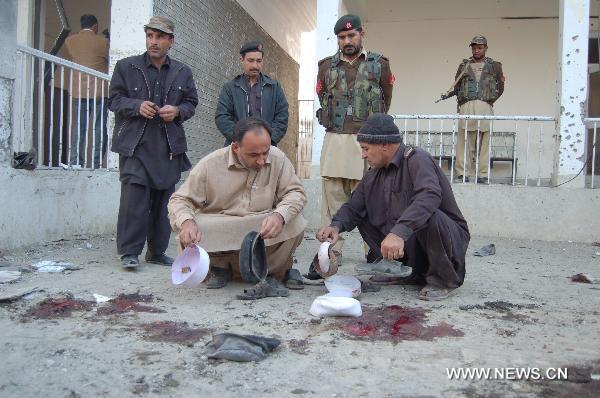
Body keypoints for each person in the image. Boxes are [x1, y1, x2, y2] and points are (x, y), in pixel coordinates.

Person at [316, 114, 470, 301]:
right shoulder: (373, 175)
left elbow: (429, 195)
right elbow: (354, 207)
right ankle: (403, 271)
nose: (363, 155)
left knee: (430, 215)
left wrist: (399, 232)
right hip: (412, 247)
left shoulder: (417, 159)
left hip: (447, 241)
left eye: (366, 149)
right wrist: (336, 226)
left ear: (385, 146)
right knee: (364, 214)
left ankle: (441, 280)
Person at [168, 117, 307, 299]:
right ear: (235, 147)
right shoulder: (211, 164)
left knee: (294, 221)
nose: (261, 161)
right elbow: (179, 199)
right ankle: (220, 267)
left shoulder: (278, 158)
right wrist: (187, 222)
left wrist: (279, 216)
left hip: (260, 224)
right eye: (253, 155)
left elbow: (296, 193)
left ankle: (269, 271)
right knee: (194, 225)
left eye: (265, 152)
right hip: (222, 222)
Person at [108, 16, 199, 268]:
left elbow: (191, 103)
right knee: (134, 201)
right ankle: (129, 253)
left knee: (164, 203)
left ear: (171, 41)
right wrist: (136, 106)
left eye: (160, 37)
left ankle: (157, 252)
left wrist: (178, 111)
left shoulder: (183, 71)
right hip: (135, 144)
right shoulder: (126, 67)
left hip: (168, 146)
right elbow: (113, 100)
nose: (154, 42)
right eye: (150, 36)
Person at [312, 14, 394, 273]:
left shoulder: (379, 64)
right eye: (342, 37)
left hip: (365, 140)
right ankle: (331, 251)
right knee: (333, 196)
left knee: (370, 197)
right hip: (336, 138)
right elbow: (322, 96)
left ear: (361, 34)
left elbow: (386, 99)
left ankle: (373, 249)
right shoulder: (326, 67)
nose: (347, 41)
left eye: (351, 35)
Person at [442, 35, 505, 184]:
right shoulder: (464, 65)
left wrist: (489, 101)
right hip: (467, 105)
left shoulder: (495, 65)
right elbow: (457, 86)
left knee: (484, 141)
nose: (476, 50)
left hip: (485, 105)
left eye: (480, 47)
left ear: (485, 48)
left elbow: (500, 87)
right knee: (465, 140)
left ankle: (483, 174)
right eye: (474, 47)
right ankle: (462, 173)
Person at [215, 41, 289, 147]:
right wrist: (240, 139)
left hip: (266, 149)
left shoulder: (274, 87)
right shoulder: (230, 88)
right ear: (242, 60)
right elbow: (222, 117)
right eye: (250, 60)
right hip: (238, 148)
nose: (255, 65)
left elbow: (282, 116)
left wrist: (269, 140)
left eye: (259, 61)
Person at [64, 14, 109, 168]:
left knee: (78, 128)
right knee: (99, 129)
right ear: (95, 27)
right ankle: (96, 163)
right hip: (99, 92)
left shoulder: (70, 41)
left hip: (78, 91)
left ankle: (76, 161)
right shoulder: (103, 42)